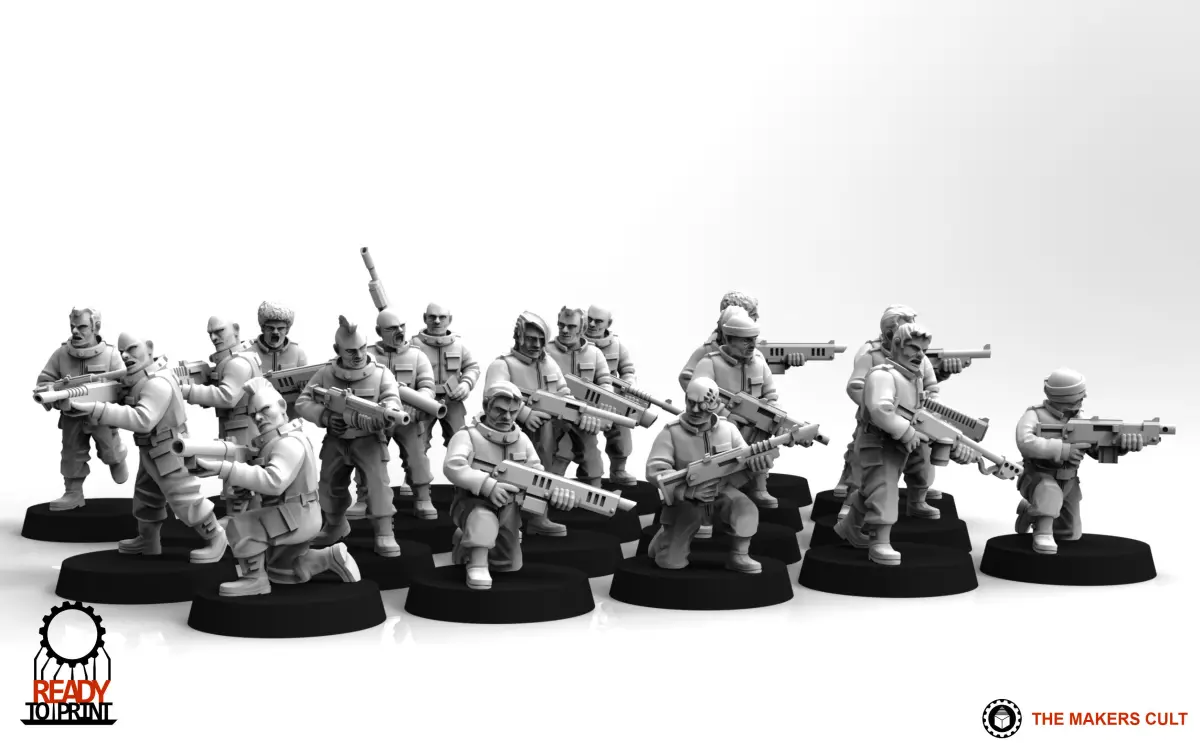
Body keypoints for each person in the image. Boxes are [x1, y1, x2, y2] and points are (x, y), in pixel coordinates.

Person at [70, 332, 226, 563]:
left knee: (185, 498)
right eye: (122, 351)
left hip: (169, 449)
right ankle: (149, 541)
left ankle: (216, 537)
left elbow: (143, 420)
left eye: (132, 349)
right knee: (146, 497)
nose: (125, 356)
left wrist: (98, 409)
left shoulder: (157, 383)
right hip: (150, 450)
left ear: (150, 348)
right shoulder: (137, 380)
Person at [196, 378, 361, 596]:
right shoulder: (279, 441)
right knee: (282, 571)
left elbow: (274, 482)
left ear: (282, 407)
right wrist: (246, 488)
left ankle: (254, 579)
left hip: (295, 516)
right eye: (254, 414)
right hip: (295, 512)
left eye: (264, 409)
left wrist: (225, 469)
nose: (258, 418)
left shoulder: (288, 442)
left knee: (240, 526)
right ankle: (331, 557)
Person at [443, 381, 575, 589]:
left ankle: (464, 539)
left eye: (513, 412)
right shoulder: (467, 436)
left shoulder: (521, 439)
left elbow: (536, 473)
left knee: (508, 564)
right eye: (500, 410)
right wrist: (487, 486)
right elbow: (453, 466)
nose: (507, 417)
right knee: (483, 520)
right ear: (486, 406)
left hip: (510, 506)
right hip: (472, 502)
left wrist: (556, 494)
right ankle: (477, 562)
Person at [296, 316, 405, 557]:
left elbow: (392, 398)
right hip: (336, 440)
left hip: (369, 440)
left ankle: (384, 531)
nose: (358, 355)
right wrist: (325, 416)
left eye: (362, 348)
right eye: (351, 351)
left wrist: (389, 411)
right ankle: (335, 525)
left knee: (377, 487)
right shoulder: (325, 374)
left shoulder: (381, 373)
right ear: (337, 350)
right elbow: (302, 402)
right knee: (329, 485)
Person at [1012, 368, 1144, 554]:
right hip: (1037, 476)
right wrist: (1063, 450)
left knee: (1069, 534)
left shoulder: (1081, 419)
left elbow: (1096, 450)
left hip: (1070, 482)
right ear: (1065, 396)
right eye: (1079, 395)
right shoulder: (1034, 415)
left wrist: (1122, 445)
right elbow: (1025, 442)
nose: (1084, 398)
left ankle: (1030, 509)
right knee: (1049, 492)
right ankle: (1042, 531)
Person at [645, 378, 765, 573]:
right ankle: (665, 540)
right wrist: (687, 491)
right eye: (691, 402)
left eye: (702, 405)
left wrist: (756, 464)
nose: (695, 410)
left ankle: (739, 555)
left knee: (746, 509)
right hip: (686, 499)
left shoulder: (728, 429)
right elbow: (655, 470)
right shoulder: (671, 432)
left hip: (722, 490)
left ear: (716, 404)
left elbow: (744, 459)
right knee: (671, 563)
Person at [35, 307, 128, 510]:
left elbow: (125, 383)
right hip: (72, 416)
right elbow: (44, 381)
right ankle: (73, 493)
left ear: (96, 327)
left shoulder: (111, 355)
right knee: (71, 454)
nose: (75, 331)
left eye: (82, 326)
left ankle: (117, 458)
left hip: (102, 416)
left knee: (110, 449)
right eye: (73, 326)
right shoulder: (61, 354)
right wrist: (54, 395)